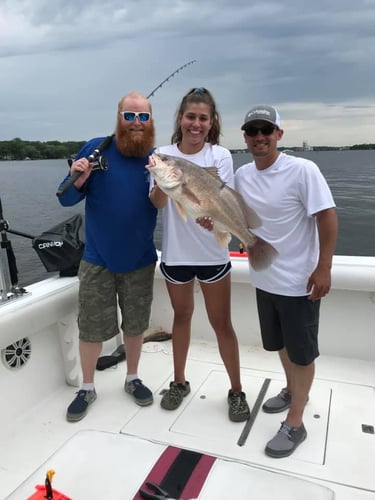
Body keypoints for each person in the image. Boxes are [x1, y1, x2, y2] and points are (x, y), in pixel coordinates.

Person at [234, 105, 338, 457]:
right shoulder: (242, 175)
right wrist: (212, 221)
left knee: (302, 352)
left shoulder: (302, 170)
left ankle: (296, 423)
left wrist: (323, 268)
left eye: (267, 130)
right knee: (279, 345)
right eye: (252, 131)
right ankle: (294, 391)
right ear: (245, 137)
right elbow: (234, 217)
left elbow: (327, 216)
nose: (259, 137)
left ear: (279, 134)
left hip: (298, 282)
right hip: (264, 278)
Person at [149, 87, 250, 422]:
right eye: (190, 117)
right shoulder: (162, 154)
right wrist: (164, 184)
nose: (196, 124)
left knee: (222, 323)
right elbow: (157, 202)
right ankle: (179, 382)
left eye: (202, 118)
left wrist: (217, 222)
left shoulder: (218, 156)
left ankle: (236, 390)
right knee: (181, 318)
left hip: (213, 255)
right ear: (180, 118)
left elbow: (222, 199)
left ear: (211, 122)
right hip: (177, 256)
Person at [57, 91, 158, 422]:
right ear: (118, 116)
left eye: (143, 116)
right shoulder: (95, 149)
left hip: (140, 258)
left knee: (135, 325)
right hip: (97, 258)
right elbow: (66, 199)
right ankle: (87, 386)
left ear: (151, 121)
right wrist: (79, 178)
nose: (136, 123)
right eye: (129, 116)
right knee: (90, 328)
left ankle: (132, 378)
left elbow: (164, 202)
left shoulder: (156, 159)